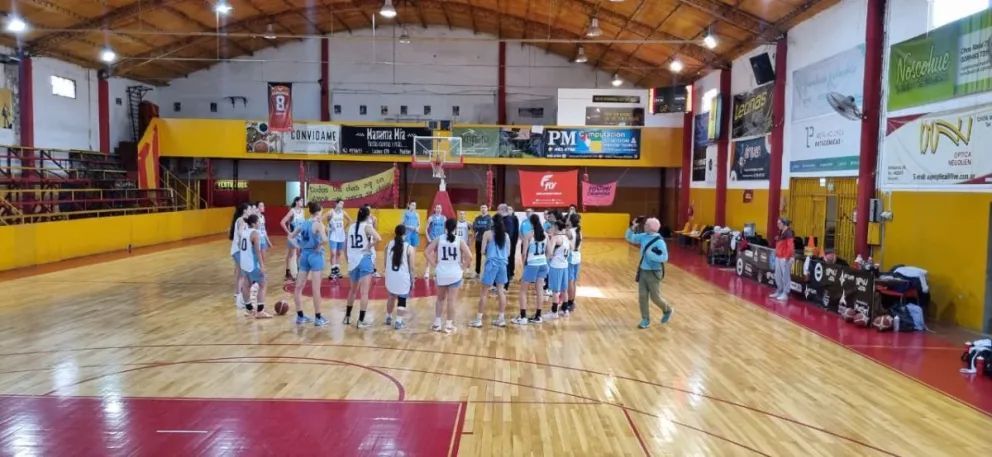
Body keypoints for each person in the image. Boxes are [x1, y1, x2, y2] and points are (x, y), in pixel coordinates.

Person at [625, 217, 673, 329]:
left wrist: (651, 255)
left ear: (651, 227)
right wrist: (633, 227)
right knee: (642, 296)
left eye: (646, 224)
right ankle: (645, 319)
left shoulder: (660, 241)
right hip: (643, 271)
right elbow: (629, 237)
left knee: (655, 297)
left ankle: (667, 309)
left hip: (654, 272)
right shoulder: (643, 236)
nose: (644, 225)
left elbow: (664, 258)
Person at [426, 218, 472, 333]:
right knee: (451, 301)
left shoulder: (439, 239)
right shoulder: (459, 240)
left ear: (445, 227)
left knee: (440, 299)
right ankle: (448, 326)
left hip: (442, 272)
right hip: (455, 273)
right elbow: (470, 256)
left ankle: (437, 324)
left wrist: (435, 265)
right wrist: (463, 267)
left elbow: (426, 252)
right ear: (455, 228)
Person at [289, 202, 328, 326]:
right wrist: (320, 245)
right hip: (315, 256)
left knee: (298, 287)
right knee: (316, 289)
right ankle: (318, 317)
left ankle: (300, 317)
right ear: (319, 210)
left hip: (304, 255)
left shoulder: (303, 223)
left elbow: (290, 237)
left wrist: (298, 246)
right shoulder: (318, 224)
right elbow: (325, 240)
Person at [344, 205, 381, 327]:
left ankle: (347, 317)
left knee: (352, 290)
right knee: (364, 293)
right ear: (367, 215)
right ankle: (361, 321)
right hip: (364, 259)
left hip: (352, 261)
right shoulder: (367, 226)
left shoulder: (350, 227)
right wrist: (369, 246)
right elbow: (378, 238)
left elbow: (345, 247)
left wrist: (348, 259)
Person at [471, 214, 510, 328]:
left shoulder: (487, 234)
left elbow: (482, 251)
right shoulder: (506, 236)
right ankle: (501, 319)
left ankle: (478, 320)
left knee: (484, 293)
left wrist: (490, 250)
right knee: (501, 291)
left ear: (492, 223)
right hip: (503, 265)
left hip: (491, 264)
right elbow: (508, 253)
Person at [514, 213, 549, 325]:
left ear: (531, 223)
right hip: (543, 264)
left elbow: (524, 253)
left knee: (523, 291)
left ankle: (523, 317)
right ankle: (538, 316)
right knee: (539, 291)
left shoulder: (528, 235)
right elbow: (549, 252)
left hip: (532, 264)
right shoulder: (545, 234)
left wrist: (525, 265)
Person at [238, 214, 272, 319]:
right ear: (253, 223)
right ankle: (260, 311)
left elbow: (240, 245)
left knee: (246, 285)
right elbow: (257, 251)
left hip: (243, 263)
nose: (260, 223)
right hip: (252, 264)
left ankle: (249, 309)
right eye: (258, 222)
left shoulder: (244, 232)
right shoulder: (255, 233)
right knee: (263, 284)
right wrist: (262, 265)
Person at [384, 224, 415, 330]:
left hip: (391, 276)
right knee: (402, 299)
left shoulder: (388, 245)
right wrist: (413, 280)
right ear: (405, 234)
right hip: (403, 278)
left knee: (391, 297)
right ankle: (398, 321)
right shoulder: (409, 248)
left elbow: (385, 263)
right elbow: (412, 268)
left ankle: (388, 317)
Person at [546, 219, 571, 319]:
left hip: (556, 266)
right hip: (565, 265)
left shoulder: (555, 238)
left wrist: (548, 240)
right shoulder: (566, 238)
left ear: (556, 227)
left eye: (553, 226)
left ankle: (554, 312)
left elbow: (549, 252)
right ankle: (565, 310)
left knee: (555, 291)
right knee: (564, 290)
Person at [229, 202, 249, 309]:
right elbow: (241, 233)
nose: (250, 210)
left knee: (239, 273)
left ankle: (238, 295)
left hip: (238, 250)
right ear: (245, 210)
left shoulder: (242, 220)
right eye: (249, 209)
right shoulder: (241, 220)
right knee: (242, 274)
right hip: (238, 250)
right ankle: (239, 299)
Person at [280, 196, 305, 280]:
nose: (302, 202)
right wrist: (289, 233)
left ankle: (296, 273)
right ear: (297, 202)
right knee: (292, 255)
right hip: (293, 236)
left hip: (300, 236)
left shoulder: (302, 211)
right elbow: (282, 222)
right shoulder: (292, 211)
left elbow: (302, 224)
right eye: (301, 200)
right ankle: (290, 273)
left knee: (298, 254)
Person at [326, 199, 351, 280]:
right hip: (333, 235)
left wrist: (344, 228)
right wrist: (327, 227)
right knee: (333, 253)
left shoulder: (343, 212)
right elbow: (322, 219)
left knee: (339, 253)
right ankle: (333, 270)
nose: (342, 205)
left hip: (341, 235)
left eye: (343, 204)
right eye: (340, 203)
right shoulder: (331, 212)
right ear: (336, 203)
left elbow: (350, 220)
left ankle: (337, 270)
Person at [771, 217, 795, 301]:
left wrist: (787, 257)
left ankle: (785, 293)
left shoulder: (789, 232)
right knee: (777, 275)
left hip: (785, 258)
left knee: (785, 276)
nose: (777, 225)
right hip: (778, 257)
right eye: (777, 223)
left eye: (779, 223)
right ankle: (779, 290)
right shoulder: (781, 231)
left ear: (784, 224)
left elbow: (790, 247)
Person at [565, 212, 582, 314]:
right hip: (578, 256)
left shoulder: (569, 232)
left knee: (570, 281)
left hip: (570, 257)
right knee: (574, 281)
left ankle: (569, 302)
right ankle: (572, 301)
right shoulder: (579, 231)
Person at [499, 204, 520, 287]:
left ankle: (510, 273)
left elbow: (515, 231)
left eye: (511, 209)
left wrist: (514, 242)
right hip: (506, 242)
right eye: (508, 209)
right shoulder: (504, 219)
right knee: (507, 259)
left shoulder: (513, 219)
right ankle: (506, 277)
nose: (509, 210)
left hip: (511, 241)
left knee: (510, 257)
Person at [425, 204, 447, 279]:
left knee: (438, 256)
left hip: (440, 239)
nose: (438, 209)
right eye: (437, 208)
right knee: (430, 255)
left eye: (440, 208)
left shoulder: (444, 218)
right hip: (432, 239)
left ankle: (436, 271)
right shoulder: (431, 218)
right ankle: (427, 271)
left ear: (441, 209)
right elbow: (426, 229)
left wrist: (445, 237)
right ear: (435, 209)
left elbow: (445, 230)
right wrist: (428, 238)